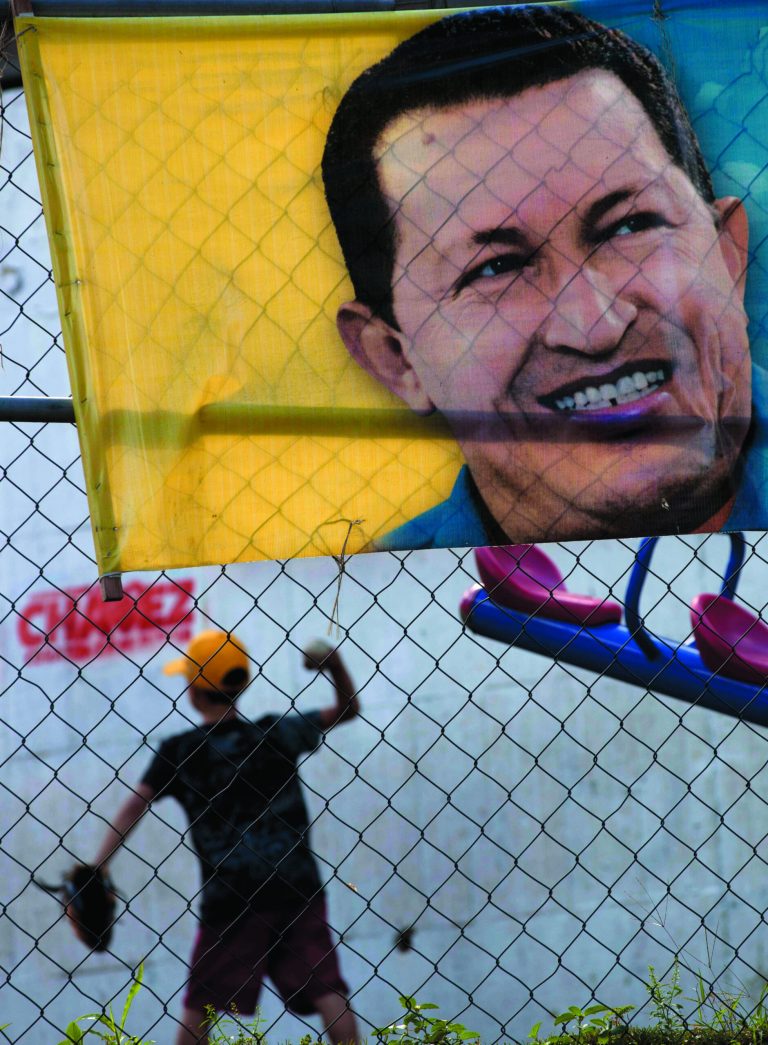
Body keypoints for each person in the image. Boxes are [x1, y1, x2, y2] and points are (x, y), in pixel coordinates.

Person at [321, 5, 766, 550]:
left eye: (629, 226)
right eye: (496, 269)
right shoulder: (372, 616)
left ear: (727, 254)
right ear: (394, 357)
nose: (594, 326)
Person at [92, 629, 360, 1045]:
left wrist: (98, 865)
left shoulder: (180, 751)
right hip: (295, 881)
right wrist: (335, 666)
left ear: (195, 692)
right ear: (242, 684)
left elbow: (134, 806)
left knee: (200, 1005)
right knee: (327, 987)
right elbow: (347, 709)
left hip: (231, 894)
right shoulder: (276, 733)